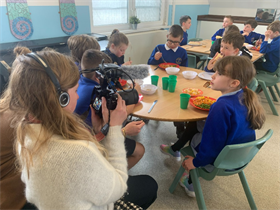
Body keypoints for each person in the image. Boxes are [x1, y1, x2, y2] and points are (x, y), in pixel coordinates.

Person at [1, 47, 157, 209]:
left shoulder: (24, 133)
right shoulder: (77, 152)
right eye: (75, 90)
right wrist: (115, 129)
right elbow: (117, 188)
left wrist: (99, 132)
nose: (78, 95)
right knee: (150, 185)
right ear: (62, 99)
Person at [162, 56, 266, 197]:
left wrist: (197, 162)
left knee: (197, 136)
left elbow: (212, 143)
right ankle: (176, 148)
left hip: (220, 159)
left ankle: (191, 183)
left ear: (234, 83)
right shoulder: (244, 96)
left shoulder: (221, 106)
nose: (213, 75)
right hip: (241, 157)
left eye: (220, 74)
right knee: (196, 124)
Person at [75, 49, 145, 170]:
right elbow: (120, 114)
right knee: (140, 150)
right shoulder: (95, 91)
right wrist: (136, 94)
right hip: (93, 142)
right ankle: (114, 174)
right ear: (99, 76)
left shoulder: (82, 81)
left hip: (84, 135)